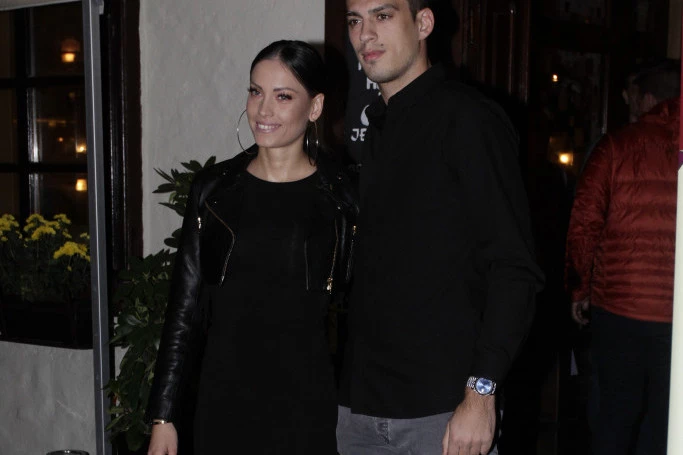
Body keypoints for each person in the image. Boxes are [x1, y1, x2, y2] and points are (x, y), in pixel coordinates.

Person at [337, 1, 544, 454]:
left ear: (424, 23)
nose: (364, 34)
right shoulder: (379, 126)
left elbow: (514, 268)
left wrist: (482, 393)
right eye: (355, 20)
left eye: (382, 16)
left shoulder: (468, 118)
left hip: (443, 413)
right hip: (359, 410)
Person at [145, 40, 359, 455]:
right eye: (256, 91)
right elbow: (184, 309)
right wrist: (163, 417)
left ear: (315, 107)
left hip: (310, 408)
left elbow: (361, 312)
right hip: (223, 404)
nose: (263, 110)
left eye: (283, 96)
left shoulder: (344, 198)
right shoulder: (214, 191)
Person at [565, 62, 680, 455]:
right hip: (675, 315)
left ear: (648, 99)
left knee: (615, 415)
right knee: (664, 421)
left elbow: (584, 223)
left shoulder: (615, 146)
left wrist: (579, 288)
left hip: (619, 306)